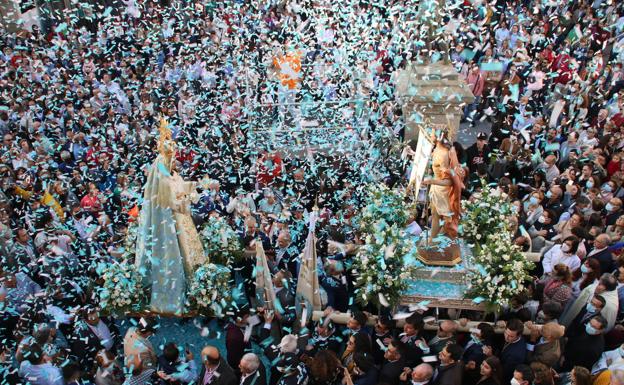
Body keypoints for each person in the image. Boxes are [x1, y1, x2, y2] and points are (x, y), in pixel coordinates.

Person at [134, 119, 206, 315]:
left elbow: (180, 187)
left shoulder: (170, 175)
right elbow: (172, 203)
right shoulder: (162, 181)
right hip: (171, 224)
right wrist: (188, 199)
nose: (175, 161)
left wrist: (191, 191)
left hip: (179, 220)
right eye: (173, 158)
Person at [422, 134, 464, 240]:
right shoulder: (436, 148)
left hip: (442, 190)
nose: (430, 135)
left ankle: (435, 239)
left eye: (431, 133)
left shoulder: (444, 154)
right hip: (436, 188)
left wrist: (431, 181)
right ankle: (433, 238)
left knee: (445, 218)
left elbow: (449, 182)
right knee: (435, 215)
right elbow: (429, 159)